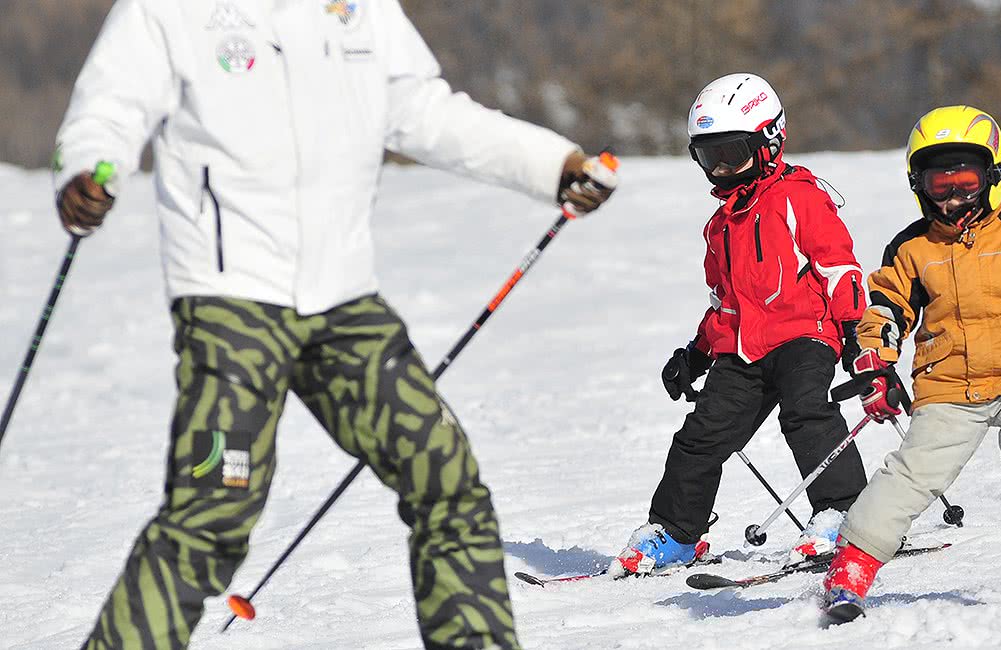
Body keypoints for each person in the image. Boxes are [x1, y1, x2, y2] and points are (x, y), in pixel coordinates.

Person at [52, 1, 616, 648]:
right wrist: (87, 169)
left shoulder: (360, 8)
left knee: (447, 483)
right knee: (212, 515)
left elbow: (423, 111)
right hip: (230, 297)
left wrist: (552, 164)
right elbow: (112, 104)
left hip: (343, 302)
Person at [818, 105, 1001, 623]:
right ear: (918, 184)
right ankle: (848, 574)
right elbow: (884, 311)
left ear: (993, 176)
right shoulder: (911, 249)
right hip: (946, 384)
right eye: (939, 185)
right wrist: (876, 366)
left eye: (966, 183)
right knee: (909, 474)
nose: (953, 198)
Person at [615, 73, 868, 575]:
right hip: (744, 350)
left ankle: (845, 515)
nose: (724, 168)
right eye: (710, 156)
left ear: (770, 140)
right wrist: (697, 352)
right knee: (700, 437)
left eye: (734, 152)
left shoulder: (800, 196)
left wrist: (855, 329)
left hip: (805, 334)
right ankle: (676, 533)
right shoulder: (720, 225)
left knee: (806, 414)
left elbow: (838, 265)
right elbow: (724, 303)